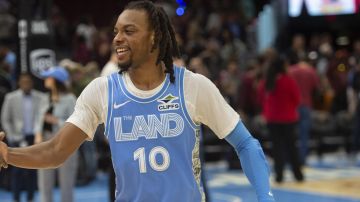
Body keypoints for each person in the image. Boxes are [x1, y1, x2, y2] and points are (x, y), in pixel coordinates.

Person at [0, 1, 275, 201]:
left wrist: (265, 197)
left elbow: (246, 143)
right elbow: (56, 151)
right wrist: (7, 154)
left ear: (154, 36)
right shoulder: (101, 90)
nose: (118, 37)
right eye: (116, 31)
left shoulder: (193, 86)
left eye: (129, 31)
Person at [257, 54, 304, 183]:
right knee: (292, 147)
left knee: (277, 148)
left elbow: (260, 99)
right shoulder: (288, 80)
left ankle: (279, 176)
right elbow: (297, 99)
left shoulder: (266, 82)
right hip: (289, 119)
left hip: (272, 119)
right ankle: (298, 175)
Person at [1, 73, 48, 202]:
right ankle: (16, 199)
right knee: (17, 171)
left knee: (33, 171)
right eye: (24, 82)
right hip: (17, 138)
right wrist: (11, 135)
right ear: (19, 83)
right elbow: (5, 119)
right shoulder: (11, 97)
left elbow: (41, 117)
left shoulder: (41, 97)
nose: (26, 84)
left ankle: (31, 198)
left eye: (28, 81)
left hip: (34, 138)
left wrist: (38, 133)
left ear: (32, 83)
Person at [36, 67, 78, 202]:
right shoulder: (44, 98)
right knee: (44, 182)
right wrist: (37, 134)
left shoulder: (70, 99)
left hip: (65, 144)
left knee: (66, 183)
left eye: (49, 77)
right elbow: (38, 118)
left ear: (56, 80)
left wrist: (56, 120)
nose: (45, 79)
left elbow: (75, 123)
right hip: (45, 144)